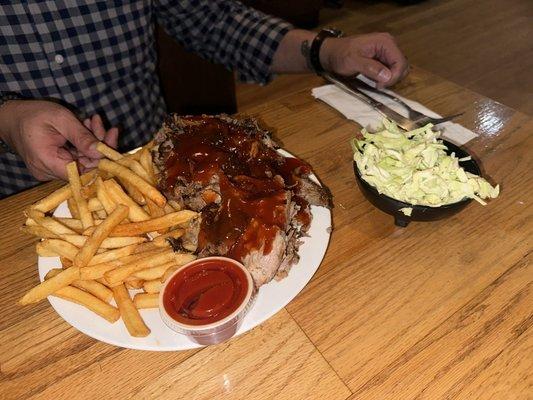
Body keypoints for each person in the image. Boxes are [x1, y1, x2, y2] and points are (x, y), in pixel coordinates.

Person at [0, 1, 408, 199]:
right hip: (20, 194)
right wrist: (8, 117)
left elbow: (214, 21)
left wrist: (326, 51)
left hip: (161, 162)